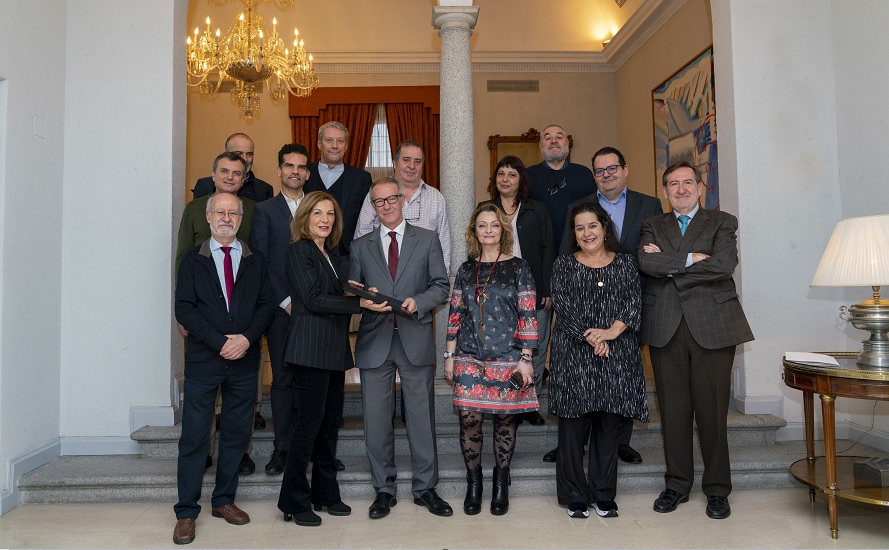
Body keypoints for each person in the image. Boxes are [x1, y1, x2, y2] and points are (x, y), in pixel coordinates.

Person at [638, 161, 753, 520]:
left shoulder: (722, 221)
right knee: (672, 411)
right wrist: (691, 258)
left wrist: (671, 265)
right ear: (665, 191)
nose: (681, 189)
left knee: (712, 411)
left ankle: (717, 489)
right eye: (673, 184)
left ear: (700, 187)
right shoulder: (652, 225)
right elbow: (646, 264)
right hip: (666, 326)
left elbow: (723, 265)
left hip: (713, 326)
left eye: (688, 182)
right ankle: (677, 485)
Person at [547, 146, 663, 465]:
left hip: (627, 304)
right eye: (599, 171)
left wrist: (621, 320)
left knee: (620, 375)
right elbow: (566, 251)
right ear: (594, 176)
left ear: (625, 170)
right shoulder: (579, 207)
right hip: (585, 303)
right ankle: (576, 440)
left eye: (612, 168)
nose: (606, 175)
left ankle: (619, 442)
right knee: (584, 376)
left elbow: (654, 252)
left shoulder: (649, 204)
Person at [349, 176, 452, 520]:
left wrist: (419, 302)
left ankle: (425, 488)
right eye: (379, 201)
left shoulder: (427, 239)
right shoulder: (360, 246)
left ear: (402, 200)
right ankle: (384, 489)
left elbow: (441, 286)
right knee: (376, 421)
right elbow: (353, 292)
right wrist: (362, 300)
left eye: (392, 198)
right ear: (373, 207)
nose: (387, 205)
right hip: (375, 341)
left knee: (421, 419)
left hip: (415, 337)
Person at [173, 192, 273, 545]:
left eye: (233, 212)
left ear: (240, 219)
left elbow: (266, 306)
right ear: (208, 216)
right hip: (204, 360)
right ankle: (186, 512)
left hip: (244, 360)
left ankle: (224, 500)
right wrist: (220, 342)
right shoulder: (192, 260)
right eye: (220, 212)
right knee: (195, 436)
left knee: (235, 433)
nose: (227, 217)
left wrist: (245, 339)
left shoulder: (255, 260)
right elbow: (184, 309)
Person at [549, 201, 649, 520]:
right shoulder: (564, 264)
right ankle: (575, 495)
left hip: (616, 354)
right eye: (579, 228)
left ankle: (603, 493)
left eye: (592, 225)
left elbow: (633, 302)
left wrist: (610, 332)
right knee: (572, 428)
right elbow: (563, 307)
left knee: (608, 425)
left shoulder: (626, 263)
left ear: (604, 227)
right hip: (574, 353)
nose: (587, 233)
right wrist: (594, 337)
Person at [444, 203, 539, 516]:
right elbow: (455, 313)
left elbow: (528, 314)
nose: (488, 230)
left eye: (494, 225)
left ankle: (501, 483)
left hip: (509, 357)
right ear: (474, 231)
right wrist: (449, 355)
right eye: (482, 225)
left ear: (502, 230)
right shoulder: (466, 270)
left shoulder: (519, 267)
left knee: (504, 421)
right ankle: (474, 484)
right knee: (469, 421)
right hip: (469, 355)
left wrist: (526, 358)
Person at [276, 192, 361, 527]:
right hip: (310, 352)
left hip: (333, 351)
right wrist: (359, 304)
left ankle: (325, 494)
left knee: (328, 426)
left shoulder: (329, 254)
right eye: (317, 213)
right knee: (307, 428)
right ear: (305, 218)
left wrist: (356, 293)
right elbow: (313, 299)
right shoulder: (300, 250)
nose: (325, 219)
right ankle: (294, 501)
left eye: (330, 214)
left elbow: (333, 294)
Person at [175, 151, 258, 475]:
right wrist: (182, 311)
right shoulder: (195, 209)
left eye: (237, 173)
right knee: (203, 402)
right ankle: (204, 452)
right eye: (224, 171)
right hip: (203, 319)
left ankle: (238, 454)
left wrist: (248, 333)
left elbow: (258, 260)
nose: (230, 177)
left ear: (244, 178)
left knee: (241, 400)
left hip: (242, 324)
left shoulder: (253, 210)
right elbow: (183, 257)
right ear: (213, 175)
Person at [479, 156, 554, 426]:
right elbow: (476, 248)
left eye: (512, 174)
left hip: (534, 290)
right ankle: (503, 402)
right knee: (501, 347)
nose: (505, 179)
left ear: (520, 180)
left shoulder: (537, 209)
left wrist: (547, 288)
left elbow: (548, 249)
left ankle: (529, 403)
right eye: (501, 173)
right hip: (497, 293)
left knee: (535, 347)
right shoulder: (486, 209)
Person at [250, 143, 310, 476]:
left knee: (312, 380)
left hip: (315, 309)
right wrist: (286, 301)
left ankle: (312, 448)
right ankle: (282, 448)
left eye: (300, 167)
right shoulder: (264, 210)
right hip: (281, 310)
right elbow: (263, 261)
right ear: (279, 170)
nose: (295, 172)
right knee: (284, 380)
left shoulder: (319, 206)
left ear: (307, 173)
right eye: (289, 166)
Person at [355, 140, 451, 272]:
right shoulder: (377, 193)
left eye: (417, 161)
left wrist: (441, 278)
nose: (412, 166)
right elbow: (362, 237)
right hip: (384, 274)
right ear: (394, 163)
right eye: (406, 160)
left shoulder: (436, 197)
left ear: (422, 166)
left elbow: (444, 243)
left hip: (425, 277)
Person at [304, 121, 373, 274]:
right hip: (308, 255)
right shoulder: (304, 173)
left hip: (347, 258)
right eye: (329, 140)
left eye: (340, 141)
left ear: (346, 146)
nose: (334, 145)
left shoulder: (362, 179)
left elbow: (368, 220)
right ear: (319, 144)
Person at [527, 124, 595, 251]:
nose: (554, 141)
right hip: (539, 248)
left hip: (580, 248)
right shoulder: (528, 175)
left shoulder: (584, 174)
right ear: (541, 145)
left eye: (559, 137)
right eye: (548, 138)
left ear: (567, 143)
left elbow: (596, 213)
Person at [193, 133, 274, 203]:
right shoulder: (205, 185)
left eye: (249, 154)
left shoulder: (264, 189)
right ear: (226, 153)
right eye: (239, 153)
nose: (245, 159)